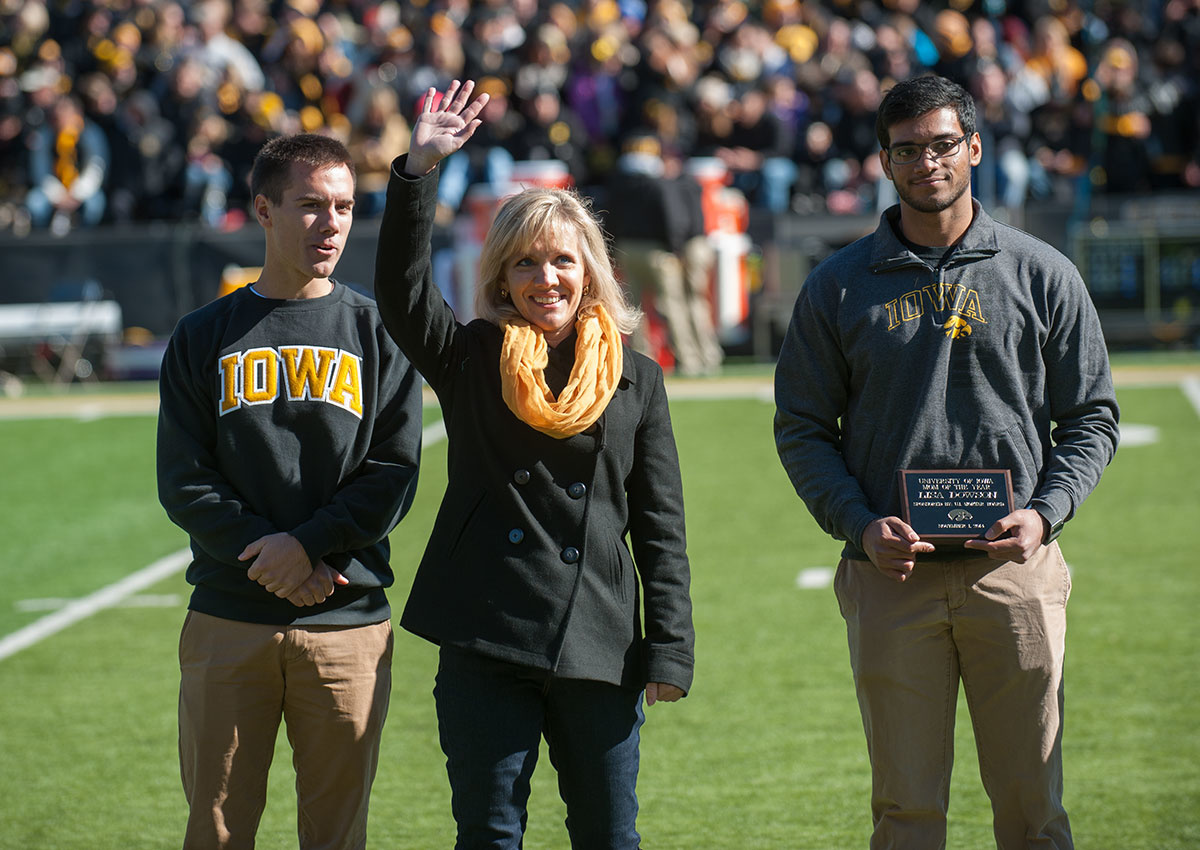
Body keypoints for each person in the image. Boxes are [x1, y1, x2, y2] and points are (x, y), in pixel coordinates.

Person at [773, 75, 1119, 849]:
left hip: (1015, 571)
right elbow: (800, 426)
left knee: (1034, 812)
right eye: (906, 151)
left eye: (941, 145)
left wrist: (1046, 512)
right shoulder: (837, 286)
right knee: (907, 816)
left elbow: (1092, 416)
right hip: (891, 580)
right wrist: (859, 527)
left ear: (974, 147)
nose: (926, 163)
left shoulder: (1042, 273)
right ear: (885, 163)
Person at [373, 81, 695, 849]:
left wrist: (671, 645)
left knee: (609, 837)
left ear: (589, 270)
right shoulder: (470, 358)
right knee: (488, 836)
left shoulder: (637, 376)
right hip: (487, 633)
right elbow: (402, 294)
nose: (544, 280)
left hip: (602, 641)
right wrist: (418, 172)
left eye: (560, 261)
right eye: (524, 265)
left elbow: (660, 526)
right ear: (500, 279)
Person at [156, 132, 423, 850]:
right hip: (229, 618)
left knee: (337, 837)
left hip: (347, 621)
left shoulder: (379, 331)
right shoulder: (202, 334)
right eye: (309, 205)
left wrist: (306, 547)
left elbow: (395, 472)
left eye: (342, 207)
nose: (329, 223)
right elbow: (184, 479)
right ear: (263, 211)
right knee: (215, 832)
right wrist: (267, 553)